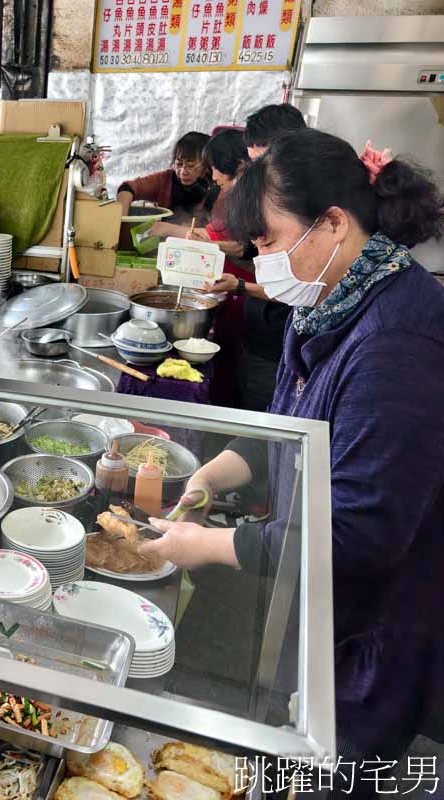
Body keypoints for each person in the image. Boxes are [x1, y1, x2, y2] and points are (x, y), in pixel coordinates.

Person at [141, 129, 444, 794]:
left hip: (379, 623)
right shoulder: (330, 301)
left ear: (331, 224)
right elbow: (290, 421)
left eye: (269, 241)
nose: (258, 259)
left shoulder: (398, 343)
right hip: (319, 600)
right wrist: (217, 468)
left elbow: (358, 538)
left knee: (331, 768)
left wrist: (211, 544)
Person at [194, 127, 288, 410]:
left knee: (259, 407)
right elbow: (246, 248)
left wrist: (239, 285)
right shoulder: (263, 202)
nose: (213, 177)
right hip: (257, 329)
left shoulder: (286, 213)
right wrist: (213, 242)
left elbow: (286, 290)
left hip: (273, 340)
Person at [116, 131, 212, 216]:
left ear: (206, 164)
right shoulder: (165, 180)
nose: (183, 171)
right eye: (179, 164)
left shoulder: (216, 185)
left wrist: (166, 228)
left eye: (191, 166)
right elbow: (127, 188)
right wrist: (121, 220)